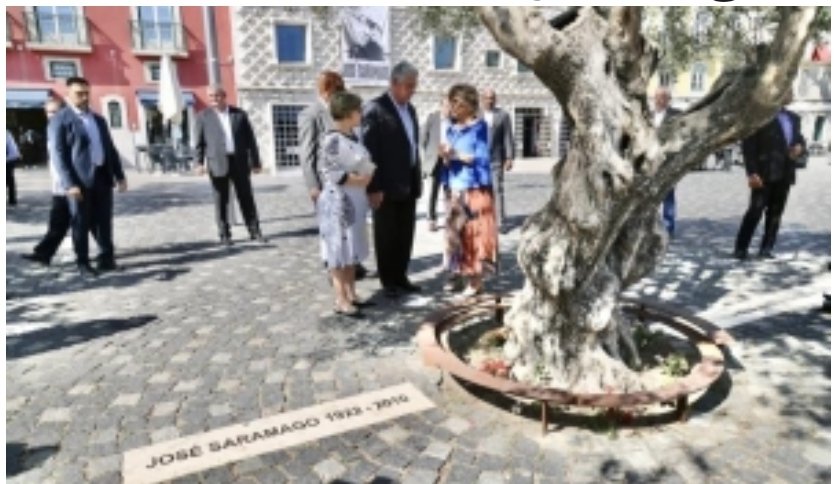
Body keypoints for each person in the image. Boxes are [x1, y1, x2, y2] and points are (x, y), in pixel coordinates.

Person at [49, 76, 127, 277]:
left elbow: (110, 149)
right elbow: (58, 155)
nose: (84, 97)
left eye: (86, 93)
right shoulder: (61, 119)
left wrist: (119, 175)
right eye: (79, 94)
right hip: (79, 182)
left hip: (102, 177)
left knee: (104, 221)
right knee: (80, 223)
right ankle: (83, 263)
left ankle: (106, 259)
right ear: (68, 95)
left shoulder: (98, 119)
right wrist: (69, 183)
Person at [362, 61, 422, 299]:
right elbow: (369, 151)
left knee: (405, 233)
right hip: (385, 186)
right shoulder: (375, 109)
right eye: (408, 86)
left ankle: (401, 276)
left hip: (409, 182)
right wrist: (373, 187)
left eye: (414, 86)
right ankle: (389, 282)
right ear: (394, 83)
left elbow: (412, 146)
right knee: (386, 235)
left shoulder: (412, 110)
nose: (412, 91)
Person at [317, 91, 376, 317]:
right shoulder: (332, 139)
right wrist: (361, 180)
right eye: (358, 110)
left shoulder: (351, 136)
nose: (361, 114)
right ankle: (340, 299)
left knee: (350, 249)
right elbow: (330, 171)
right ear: (348, 113)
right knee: (338, 251)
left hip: (354, 199)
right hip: (338, 202)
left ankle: (351, 293)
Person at [441, 83, 497, 296]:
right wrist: (446, 157)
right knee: (456, 236)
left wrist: (454, 155)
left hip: (473, 188)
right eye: (451, 101)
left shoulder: (479, 127)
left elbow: (479, 158)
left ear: (469, 105)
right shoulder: (451, 129)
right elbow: (450, 160)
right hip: (454, 187)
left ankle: (475, 282)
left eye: (457, 102)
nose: (453, 106)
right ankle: (459, 275)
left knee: (474, 235)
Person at [734, 97, 805, 260]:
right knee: (755, 211)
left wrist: (800, 147)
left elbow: (799, 140)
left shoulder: (794, 118)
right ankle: (741, 247)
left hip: (785, 173)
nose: (790, 95)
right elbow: (749, 146)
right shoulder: (759, 117)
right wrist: (751, 172)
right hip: (763, 174)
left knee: (776, 214)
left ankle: (767, 248)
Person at [194, 85, 266, 246]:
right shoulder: (203, 117)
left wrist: (255, 162)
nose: (214, 99)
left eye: (217, 96)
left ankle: (255, 231)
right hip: (217, 163)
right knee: (221, 200)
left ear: (224, 96)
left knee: (246, 198)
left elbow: (251, 140)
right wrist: (198, 163)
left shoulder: (239, 115)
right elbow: (199, 143)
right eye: (211, 96)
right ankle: (224, 234)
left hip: (239, 162)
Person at [22, 98, 72, 266]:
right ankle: (44, 253)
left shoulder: (68, 129)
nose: (51, 115)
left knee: (66, 221)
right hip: (59, 186)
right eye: (48, 112)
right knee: (59, 222)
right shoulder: (51, 129)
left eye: (55, 111)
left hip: (70, 185)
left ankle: (104, 252)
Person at [480, 88, 515, 232]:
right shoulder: (476, 114)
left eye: (492, 98)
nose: (490, 100)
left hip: (496, 159)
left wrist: (509, 157)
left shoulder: (503, 115)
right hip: (478, 161)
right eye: (487, 98)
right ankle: (483, 219)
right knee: (481, 191)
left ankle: (500, 222)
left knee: (497, 189)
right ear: (482, 99)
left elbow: (508, 137)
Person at [652, 87, 682, 237]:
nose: (660, 99)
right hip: (650, 162)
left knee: (668, 195)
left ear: (669, 99)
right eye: (657, 97)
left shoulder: (676, 115)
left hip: (668, 161)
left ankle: (668, 227)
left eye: (664, 97)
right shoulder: (648, 115)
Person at [420, 97, 451, 231]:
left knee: (449, 191)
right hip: (435, 161)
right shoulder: (433, 118)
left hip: (450, 160)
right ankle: (431, 218)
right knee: (433, 191)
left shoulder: (455, 120)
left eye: (451, 106)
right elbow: (423, 138)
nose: (449, 109)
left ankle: (450, 218)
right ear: (441, 106)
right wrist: (429, 154)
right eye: (446, 106)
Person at [6, 129, 20, 207]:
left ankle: (12, 198)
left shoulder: (6, 134)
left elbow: (13, 151)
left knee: (9, 178)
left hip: (8, 159)